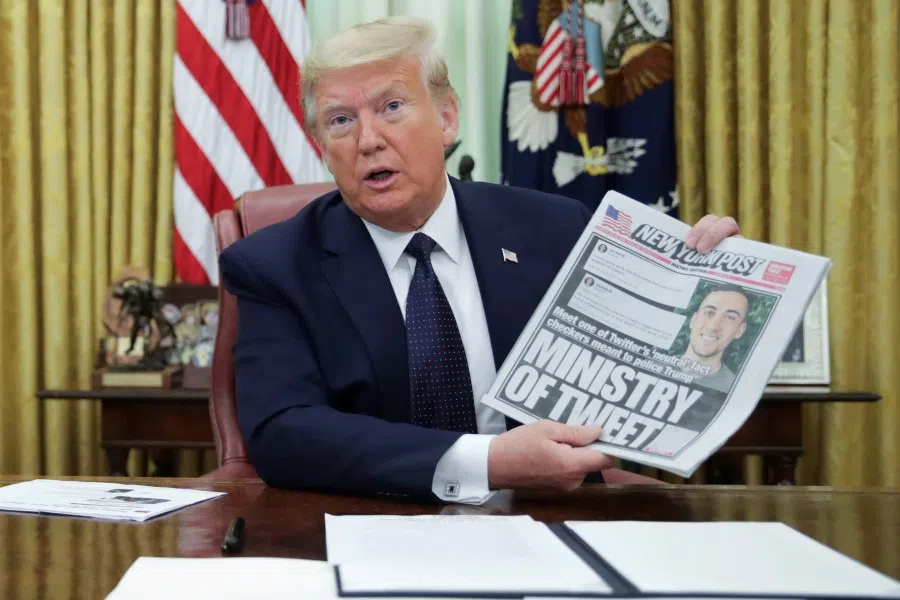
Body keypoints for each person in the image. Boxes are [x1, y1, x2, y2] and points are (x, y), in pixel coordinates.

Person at [219, 17, 741, 504]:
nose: (369, 140)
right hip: (376, 520)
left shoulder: (558, 229)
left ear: (447, 118)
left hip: (550, 515)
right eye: (340, 120)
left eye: (392, 107)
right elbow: (282, 433)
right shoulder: (274, 264)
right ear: (320, 145)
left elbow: (658, 366)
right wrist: (491, 463)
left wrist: (699, 278)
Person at [680, 285, 751, 393]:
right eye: (709, 312)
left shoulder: (734, 389)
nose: (713, 327)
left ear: (739, 331)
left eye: (730, 317)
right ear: (693, 320)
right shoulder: (654, 364)